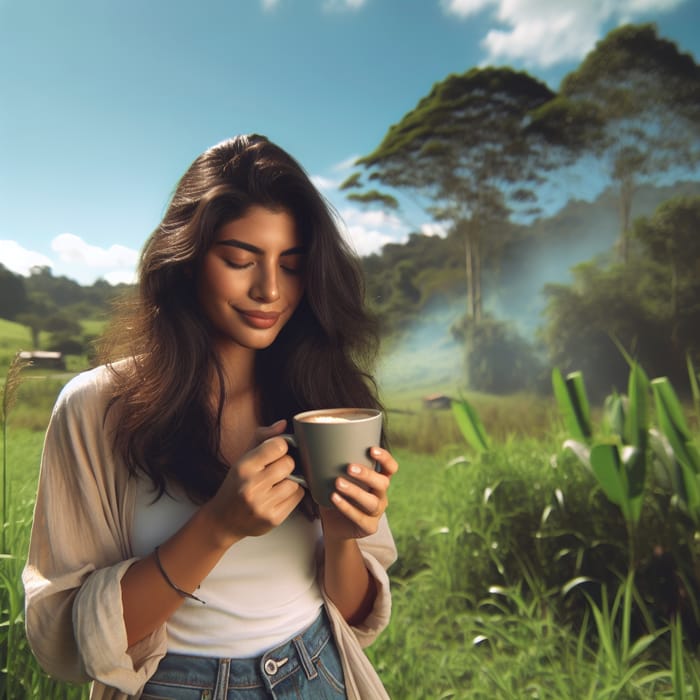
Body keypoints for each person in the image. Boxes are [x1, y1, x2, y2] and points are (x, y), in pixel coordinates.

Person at [22, 134, 398, 700]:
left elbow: (352, 614)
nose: (270, 290)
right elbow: (65, 638)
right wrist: (217, 527)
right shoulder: (96, 408)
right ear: (187, 260)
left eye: (292, 266)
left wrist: (345, 538)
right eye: (240, 259)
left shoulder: (322, 400)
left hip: (317, 673)